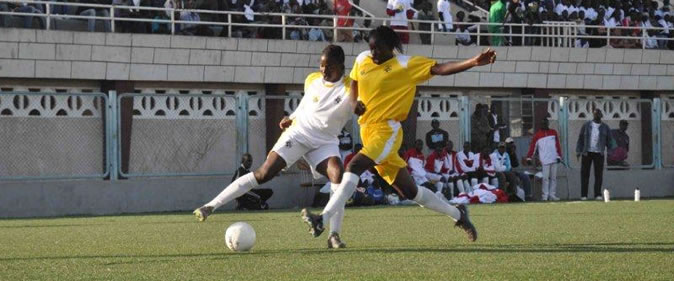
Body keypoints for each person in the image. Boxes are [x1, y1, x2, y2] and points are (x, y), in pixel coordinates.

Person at [302, 26, 496, 242]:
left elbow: (440, 69)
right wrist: (354, 101)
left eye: (379, 49)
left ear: (391, 48)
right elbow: (355, 80)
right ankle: (459, 214)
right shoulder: (363, 59)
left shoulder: (405, 64)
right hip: (367, 130)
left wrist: (472, 62)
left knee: (353, 166)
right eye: (372, 48)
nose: (374, 53)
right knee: (410, 192)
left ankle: (322, 218)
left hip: (387, 131)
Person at [194, 45, 358, 249]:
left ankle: (333, 235)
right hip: (298, 134)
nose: (323, 70)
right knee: (264, 174)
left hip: (325, 142)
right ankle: (210, 206)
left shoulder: (351, 86)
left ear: (341, 66)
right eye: (321, 65)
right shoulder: (312, 80)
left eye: (329, 66)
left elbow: (355, 104)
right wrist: (291, 117)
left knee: (338, 175)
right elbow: (306, 105)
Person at [576, 108, 615, 201]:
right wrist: (578, 151)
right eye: (595, 114)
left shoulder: (605, 127)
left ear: (601, 115)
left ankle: (597, 194)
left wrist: (611, 151)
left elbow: (610, 140)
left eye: (598, 114)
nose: (596, 115)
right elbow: (580, 139)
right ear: (593, 115)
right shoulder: (586, 125)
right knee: (585, 174)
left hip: (599, 153)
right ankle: (584, 195)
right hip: (587, 152)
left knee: (598, 175)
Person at [526, 118, 562, 201]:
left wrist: (559, 156)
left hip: (554, 158)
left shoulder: (554, 132)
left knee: (553, 178)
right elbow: (532, 147)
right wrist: (529, 157)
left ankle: (552, 195)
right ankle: (545, 196)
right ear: (541, 124)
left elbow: (558, 145)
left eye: (545, 123)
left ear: (548, 123)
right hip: (545, 160)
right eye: (542, 123)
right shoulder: (537, 135)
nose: (544, 124)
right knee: (545, 178)